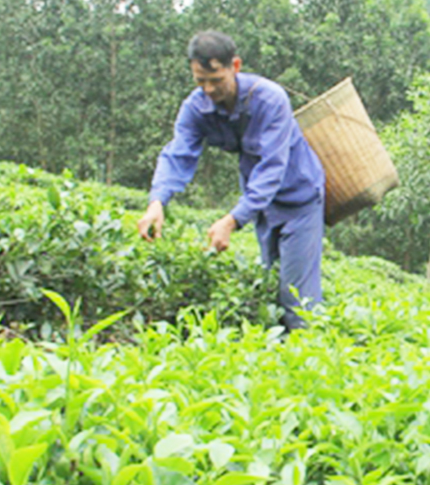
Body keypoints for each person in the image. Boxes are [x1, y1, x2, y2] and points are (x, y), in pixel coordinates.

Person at [137, 31, 326, 330]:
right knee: (271, 288)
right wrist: (157, 202)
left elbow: (272, 168)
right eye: (200, 81)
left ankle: (313, 351)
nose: (209, 89)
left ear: (235, 66)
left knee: (298, 300)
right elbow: (177, 155)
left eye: (216, 80)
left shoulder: (270, 99)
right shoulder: (195, 108)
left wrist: (232, 220)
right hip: (262, 206)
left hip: (299, 198)